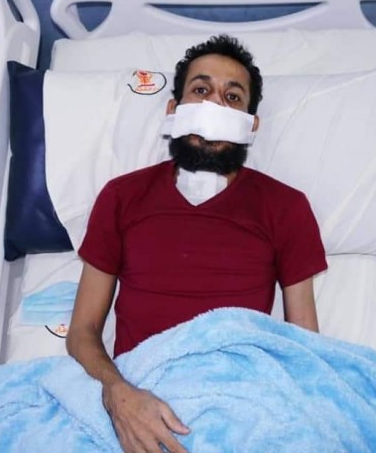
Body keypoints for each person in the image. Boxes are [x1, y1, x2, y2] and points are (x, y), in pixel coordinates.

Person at [66, 34, 328, 453]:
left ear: (251, 126)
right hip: (137, 394)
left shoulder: (286, 207)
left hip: (240, 399)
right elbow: (82, 331)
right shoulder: (122, 197)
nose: (214, 106)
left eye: (232, 97)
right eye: (201, 91)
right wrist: (118, 393)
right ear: (174, 110)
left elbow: (305, 347)